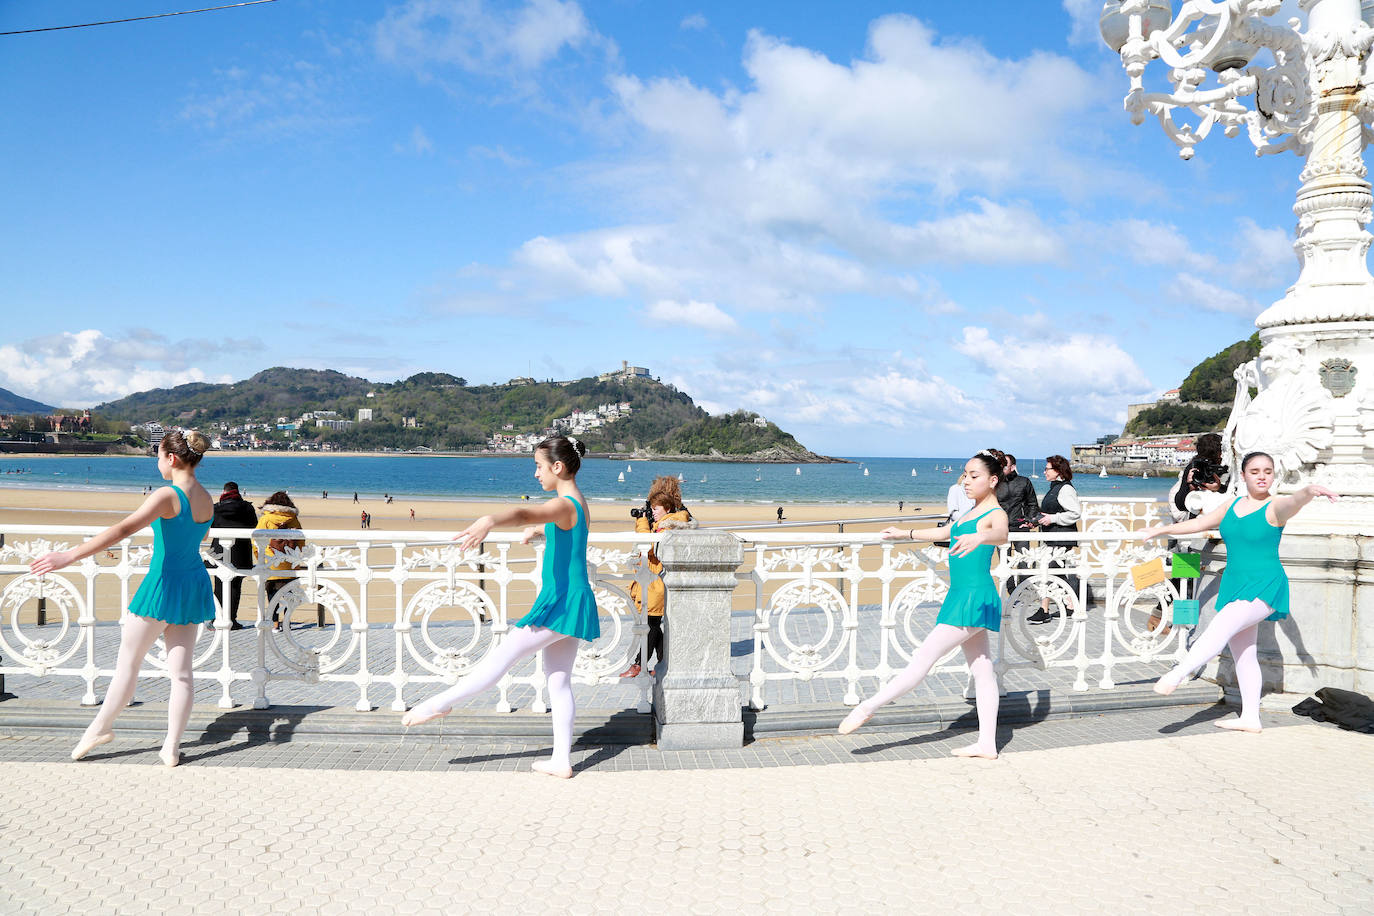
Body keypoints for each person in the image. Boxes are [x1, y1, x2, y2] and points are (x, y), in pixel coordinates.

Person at [401, 436, 597, 779]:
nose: (535, 473)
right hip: (572, 598)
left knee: (499, 660)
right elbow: (562, 528)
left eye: (538, 466)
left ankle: (439, 703)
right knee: (559, 682)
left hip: (560, 602)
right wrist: (540, 531)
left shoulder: (565, 503)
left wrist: (489, 520)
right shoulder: (576, 503)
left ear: (557, 467)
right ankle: (560, 760)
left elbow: (524, 512)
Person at [29, 431, 215, 766]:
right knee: (182, 674)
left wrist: (68, 556)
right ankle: (171, 747)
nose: (158, 463)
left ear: (171, 458)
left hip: (162, 584)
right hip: (192, 584)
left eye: (158, 457)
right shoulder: (206, 497)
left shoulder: (167, 494)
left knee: (128, 664)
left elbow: (123, 530)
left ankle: (100, 729)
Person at [1139, 452, 1338, 732]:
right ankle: (1250, 718)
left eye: (1267, 471)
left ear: (1273, 475)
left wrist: (1308, 491)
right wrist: (1158, 531)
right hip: (1234, 584)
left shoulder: (1275, 507)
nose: (1262, 476)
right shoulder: (1231, 505)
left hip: (1265, 584)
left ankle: (1178, 673)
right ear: (1243, 475)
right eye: (1255, 471)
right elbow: (1198, 524)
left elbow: (1294, 502)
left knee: (1219, 628)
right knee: (1244, 653)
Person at [838, 453, 1009, 759]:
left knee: (922, 660)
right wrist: (904, 533)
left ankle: (867, 707)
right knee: (983, 671)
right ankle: (987, 744)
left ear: (993, 480)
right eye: (965, 475)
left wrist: (980, 537)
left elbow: (1002, 533)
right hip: (963, 594)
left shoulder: (994, 513)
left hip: (973, 597)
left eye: (974, 476)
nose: (966, 481)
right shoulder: (971, 511)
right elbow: (944, 533)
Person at [621, 476, 695, 678]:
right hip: (655, 580)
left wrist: (642, 521)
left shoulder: (668, 525)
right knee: (653, 625)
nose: (652, 512)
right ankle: (664, 663)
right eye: (651, 509)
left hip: (657, 582)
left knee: (650, 626)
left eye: (656, 508)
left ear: (667, 508)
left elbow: (648, 546)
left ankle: (639, 665)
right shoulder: (667, 522)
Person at [1029, 455, 1090, 623]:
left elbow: (1075, 513)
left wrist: (1052, 518)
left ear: (1057, 471)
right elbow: (1053, 511)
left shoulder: (1065, 489)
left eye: (1047, 469)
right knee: (1057, 572)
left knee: (1048, 571)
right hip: (1054, 537)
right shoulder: (1056, 487)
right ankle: (1071, 606)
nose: (1044, 472)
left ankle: (1044, 610)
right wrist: (1038, 520)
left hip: (1061, 538)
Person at [206, 481, 257, 630]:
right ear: (238, 492)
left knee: (219, 584)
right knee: (236, 585)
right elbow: (253, 524)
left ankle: (217, 618)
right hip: (241, 551)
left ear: (224, 492)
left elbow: (211, 526)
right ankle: (232, 619)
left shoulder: (216, 508)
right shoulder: (247, 507)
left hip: (219, 550)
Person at [255, 491, 304, 632]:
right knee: (289, 594)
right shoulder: (293, 519)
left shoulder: (266, 519)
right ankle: (287, 622)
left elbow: (256, 541)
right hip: (290, 562)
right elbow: (301, 541)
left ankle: (275, 624)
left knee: (272, 594)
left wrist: (260, 556)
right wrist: (296, 557)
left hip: (271, 561)